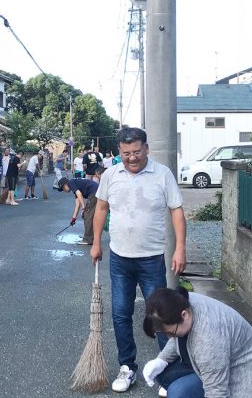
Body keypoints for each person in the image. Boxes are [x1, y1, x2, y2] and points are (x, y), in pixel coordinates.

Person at [90, 127, 190, 393]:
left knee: (160, 315)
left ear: (146, 148)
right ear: (119, 152)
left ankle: (168, 371)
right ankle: (127, 367)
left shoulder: (162, 174)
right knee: (121, 314)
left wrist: (180, 248)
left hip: (151, 259)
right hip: (120, 258)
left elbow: (177, 211)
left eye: (136, 152)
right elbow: (101, 209)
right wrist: (97, 242)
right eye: (126, 153)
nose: (132, 158)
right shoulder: (111, 175)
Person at [142, 287, 252, 397]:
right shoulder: (182, 301)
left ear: (183, 315)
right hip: (226, 367)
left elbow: (216, 393)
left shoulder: (208, 340)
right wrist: (161, 360)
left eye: (171, 333)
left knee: (177, 393)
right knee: (163, 373)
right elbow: (177, 334)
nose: (169, 338)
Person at [56, 177, 98, 245]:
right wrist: (73, 218)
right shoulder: (75, 186)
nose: (64, 191)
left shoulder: (71, 183)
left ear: (65, 185)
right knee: (88, 215)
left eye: (63, 189)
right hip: (95, 191)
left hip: (94, 192)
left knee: (87, 215)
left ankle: (88, 239)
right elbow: (77, 205)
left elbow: (79, 194)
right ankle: (89, 237)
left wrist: (84, 208)